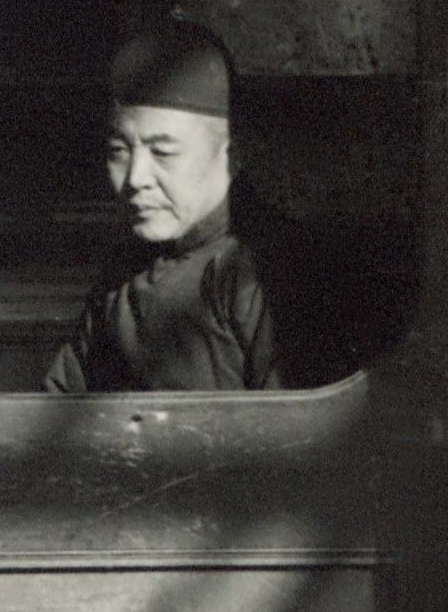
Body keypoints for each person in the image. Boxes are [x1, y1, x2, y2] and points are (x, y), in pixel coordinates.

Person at [44, 21, 279, 394]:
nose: (136, 177)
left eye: (163, 152)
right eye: (119, 151)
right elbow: (60, 403)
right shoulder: (123, 270)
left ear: (232, 155)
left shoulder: (261, 274)